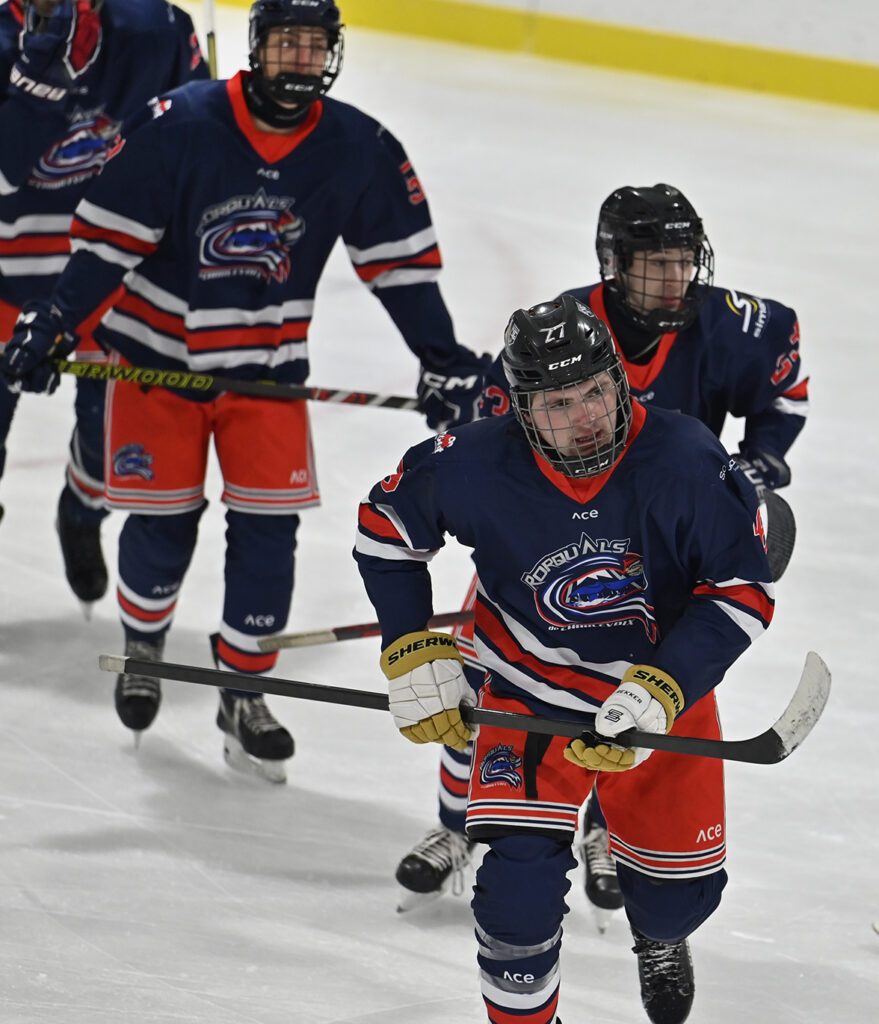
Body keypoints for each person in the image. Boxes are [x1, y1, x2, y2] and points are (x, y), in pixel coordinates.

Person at [1, 0, 488, 782]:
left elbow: (399, 268)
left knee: (269, 532)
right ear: (256, 48)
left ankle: (243, 692)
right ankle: (145, 646)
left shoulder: (356, 145)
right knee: (162, 526)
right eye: (286, 43)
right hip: (154, 364)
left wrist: (443, 357)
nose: (300, 60)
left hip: (266, 371)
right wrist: (56, 321)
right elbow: (106, 249)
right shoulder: (179, 123)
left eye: (314, 46)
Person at [354, 295, 774, 1024]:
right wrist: (409, 647)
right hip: (529, 694)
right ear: (521, 409)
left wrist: (663, 688)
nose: (585, 416)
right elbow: (385, 529)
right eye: (557, 403)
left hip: (656, 699)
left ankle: (660, 934)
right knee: (514, 903)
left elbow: (740, 590)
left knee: (677, 898)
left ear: (618, 381)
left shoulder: (683, 458)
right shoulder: (476, 460)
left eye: (595, 391)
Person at [395, 182, 807, 920]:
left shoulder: (737, 327)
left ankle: (603, 830)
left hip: (660, 546)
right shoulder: (559, 335)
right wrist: (462, 409)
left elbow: (785, 394)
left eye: (685, 260)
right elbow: (497, 444)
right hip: (544, 545)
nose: (676, 278)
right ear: (613, 264)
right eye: (656, 263)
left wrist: (760, 463)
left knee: (627, 699)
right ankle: (457, 822)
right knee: (478, 680)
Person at [0, 0, 209, 603]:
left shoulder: (157, 29)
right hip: (3, 277)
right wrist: (42, 77)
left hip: (104, 279)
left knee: (106, 440)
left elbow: (193, 146)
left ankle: (81, 511)